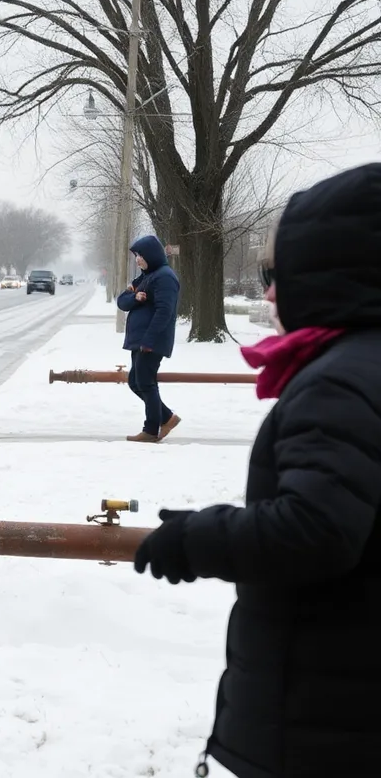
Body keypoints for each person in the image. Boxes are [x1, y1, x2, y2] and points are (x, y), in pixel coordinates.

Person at [132, 162, 381, 778]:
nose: (268, 293)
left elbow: (315, 530)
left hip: (321, 719)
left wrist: (194, 539)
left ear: (332, 273)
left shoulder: (341, 382)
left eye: (278, 274)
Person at [116, 234, 181, 443]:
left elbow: (165, 311)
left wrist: (149, 340)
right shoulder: (145, 277)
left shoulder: (164, 277)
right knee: (135, 382)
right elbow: (122, 301)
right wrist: (134, 297)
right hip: (140, 341)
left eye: (140, 255)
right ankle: (167, 417)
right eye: (136, 256)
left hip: (151, 342)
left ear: (151, 255)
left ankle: (151, 429)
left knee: (145, 382)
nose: (138, 260)